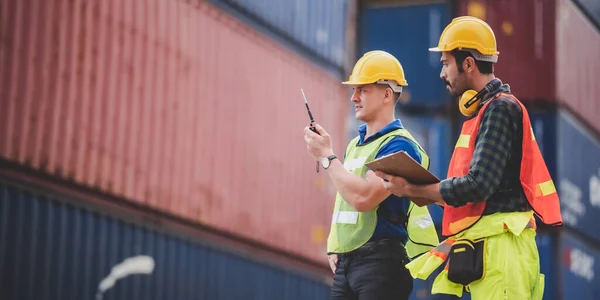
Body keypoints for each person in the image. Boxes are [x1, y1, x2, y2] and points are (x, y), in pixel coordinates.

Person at [374, 16, 563, 300]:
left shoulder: (499, 109)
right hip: (484, 251)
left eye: (445, 63)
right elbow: (474, 194)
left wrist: (412, 189)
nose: (442, 74)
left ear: (468, 64)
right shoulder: (483, 111)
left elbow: (477, 185)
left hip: (502, 253)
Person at [303, 50, 440, 300]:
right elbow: (345, 199)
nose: (354, 98)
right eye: (354, 90)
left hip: (381, 265)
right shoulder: (356, 145)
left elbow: (363, 198)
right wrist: (338, 246)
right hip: (347, 264)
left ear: (387, 93)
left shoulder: (400, 145)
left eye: (363, 90)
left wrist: (327, 157)